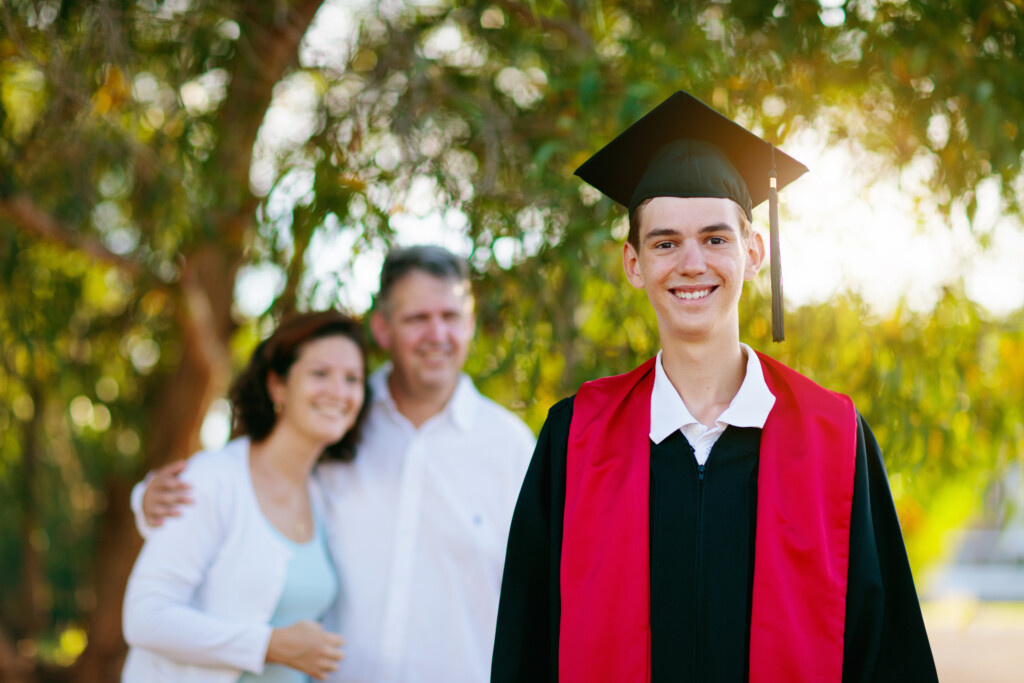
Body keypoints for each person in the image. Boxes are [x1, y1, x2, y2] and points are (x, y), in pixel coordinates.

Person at [490, 91, 939, 682]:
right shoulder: (576, 438)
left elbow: (887, 651)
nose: (692, 262)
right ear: (633, 263)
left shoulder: (833, 437)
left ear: (753, 253)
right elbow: (526, 647)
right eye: (665, 242)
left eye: (716, 238)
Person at [134, 246, 536, 683]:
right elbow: (255, 482)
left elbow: (542, 590)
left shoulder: (513, 448)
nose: (437, 334)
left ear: (470, 323)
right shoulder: (343, 426)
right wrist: (149, 500)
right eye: (417, 319)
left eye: (451, 316)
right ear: (382, 329)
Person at [121, 310, 370, 682]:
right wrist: (269, 645)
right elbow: (144, 616)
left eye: (352, 379)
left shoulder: (326, 495)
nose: (338, 391)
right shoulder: (212, 480)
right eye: (320, 373)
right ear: (278, 386)